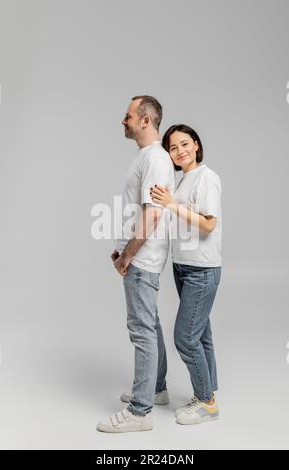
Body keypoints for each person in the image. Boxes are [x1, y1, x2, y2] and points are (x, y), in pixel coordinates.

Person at [97, 96, 175, 433]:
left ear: (145, 120)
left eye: (128, 116)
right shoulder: (145, 158)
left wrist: (128, 255)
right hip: (138, 256)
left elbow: (153, 214)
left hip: (142, 260)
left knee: (141, 330)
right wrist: (121, 247)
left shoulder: (155, 159)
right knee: (151, 324)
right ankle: (155, 389)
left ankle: (140, 413)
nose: (123, 120)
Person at [150, 124, 222, 426]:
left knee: (185, 337)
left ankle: (206, 403)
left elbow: (208, 224)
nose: (179, 151)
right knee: (202, 334)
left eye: (184, 144)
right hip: (184, 266)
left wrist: (171, 205)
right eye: (172, 147)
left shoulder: (207, 177)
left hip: (202, 268)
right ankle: (210, 392)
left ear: (196, 144)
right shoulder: (184, 181)